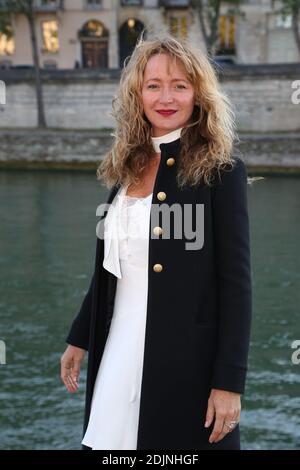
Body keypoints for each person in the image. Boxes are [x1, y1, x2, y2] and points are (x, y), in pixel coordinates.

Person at [60, 33, 252, 450]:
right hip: (116, 352)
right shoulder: (128, 165)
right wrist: (79, 337)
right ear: (137, 94)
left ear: (198, 95)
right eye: (153, 85)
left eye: (180, 85)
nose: (166, 97)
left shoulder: (222, 172)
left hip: (187, 364)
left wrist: (229, 382)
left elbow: (236, 286)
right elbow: (113, 267)